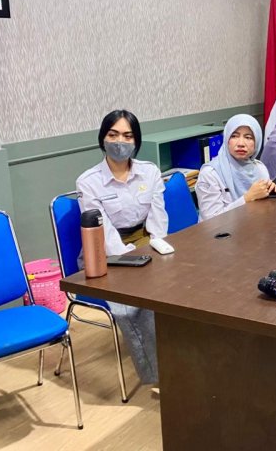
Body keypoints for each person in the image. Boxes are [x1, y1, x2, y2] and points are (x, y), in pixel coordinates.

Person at [76, 109, 166, 387]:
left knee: (179, 285)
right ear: (102, 138)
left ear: (136, 140)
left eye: (128, 136)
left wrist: (157, 246)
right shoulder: (88, 181)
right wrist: (132, 259)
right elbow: (102, 232)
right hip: (104, 251)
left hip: (147, 242)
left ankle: (183, 354)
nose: (120, 142)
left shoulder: (149, 171)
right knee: (133, 304)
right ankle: (158, 376)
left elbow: (158, 217)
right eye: (113, 134)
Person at [195, 114, 276, 221]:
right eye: (234, 136)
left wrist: (270, 193)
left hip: (254, 225)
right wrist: (247, 198)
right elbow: (211, 221)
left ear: (257, 143)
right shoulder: (210, 173)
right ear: (226, 139)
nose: (241, 143)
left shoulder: (260, 168)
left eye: (248, 137)